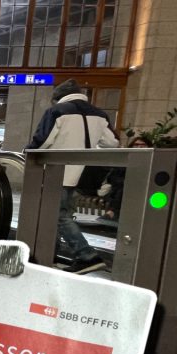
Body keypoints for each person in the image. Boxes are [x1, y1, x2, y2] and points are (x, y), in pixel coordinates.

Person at [27, 78, 119, 274]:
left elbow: (41, 142)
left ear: (57, 97)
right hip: (80, 174)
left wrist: (27, 153)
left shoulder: (57, 111)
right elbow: (113, 143)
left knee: (58, 216)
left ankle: (87, 255)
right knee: (60, 215)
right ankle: (50, 254)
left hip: (55, 173)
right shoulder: (100, 114)